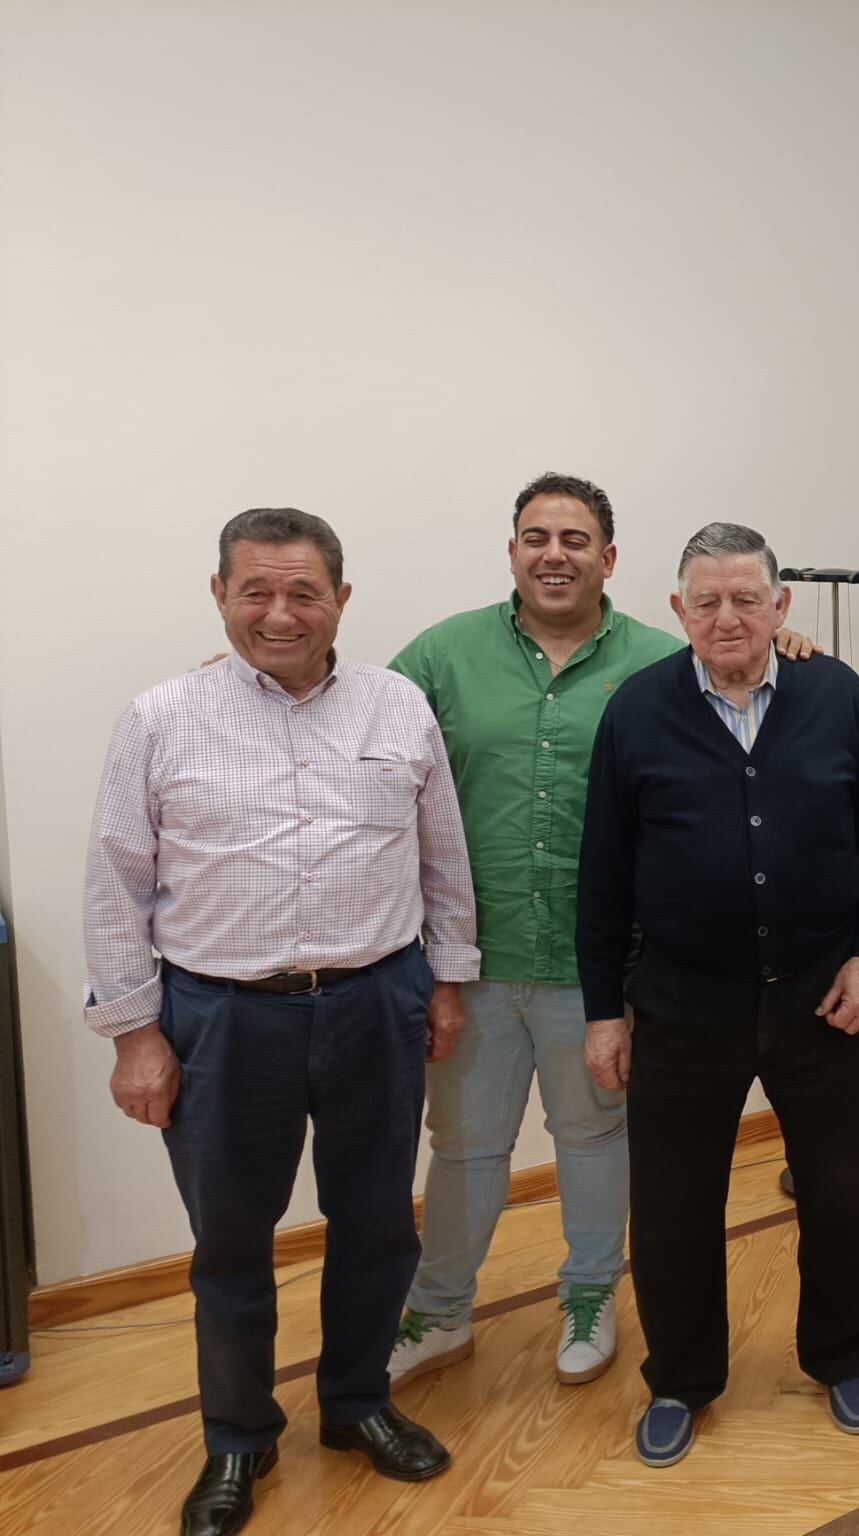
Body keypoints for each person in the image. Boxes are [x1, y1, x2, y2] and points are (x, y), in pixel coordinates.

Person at [84, 509, 478, 1536]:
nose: (279, 613)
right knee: (229, 1242)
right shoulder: (160, 718)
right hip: (219, 1020)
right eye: (255, 590)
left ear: (341, 600)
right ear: (219, 594)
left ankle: (354, 1403)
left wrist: (445, 982)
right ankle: (238, 1437)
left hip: (374, 1004)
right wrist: (134, 1034)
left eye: (304, 592)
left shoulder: (398, 707)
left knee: (377, 1222)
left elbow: (443, 858)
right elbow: (117, 885)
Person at [383, 473, 814, 1394]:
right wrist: (255, 677)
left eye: (575, 540)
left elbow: (747, 671)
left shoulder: (665, 657)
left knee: (593, 1138)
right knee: (463, 1147)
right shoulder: (442, 656)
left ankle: (589, 1295)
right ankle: (440, 1309)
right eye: (536, 538)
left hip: (603, 971)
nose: (555, 555)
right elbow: (357, 723)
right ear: (512, 552)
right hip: (473, 959)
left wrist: (791, 644)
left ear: (608, 559)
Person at [578, 521, 859, 1468]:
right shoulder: (637, 710)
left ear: (781, 605)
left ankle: (844, 1355)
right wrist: (603, 1012)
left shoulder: (837, 695)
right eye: (707, 601)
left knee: (845, 1189)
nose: (727, 617)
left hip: (826, 998)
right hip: (684, 1005)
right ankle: (681, 1379)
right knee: (674, 1206)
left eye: (746, 599)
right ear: (677, 610)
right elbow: (603, 878)